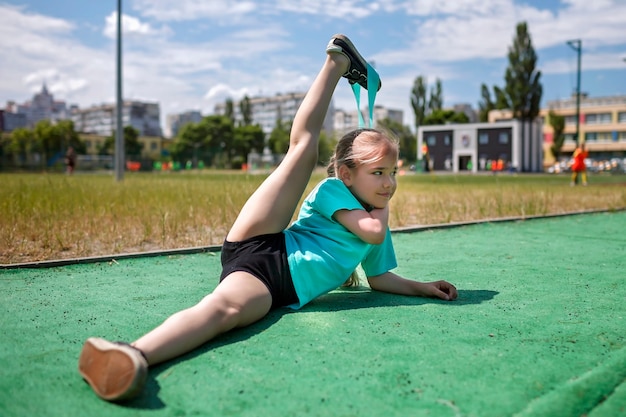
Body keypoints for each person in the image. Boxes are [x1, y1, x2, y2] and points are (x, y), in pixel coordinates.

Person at [78, 34, 458, 402]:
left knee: (222, 312)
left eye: (393, 173)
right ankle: (336, 63)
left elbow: (377, 277)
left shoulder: (373, 214)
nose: (389, 183)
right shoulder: (333, 192)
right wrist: (384, 204)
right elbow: (372, 232)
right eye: (378, 173)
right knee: (302, 149)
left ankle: (132, 358)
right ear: (345, 173)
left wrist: (420, 286)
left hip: (273, 286)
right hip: (262, 241)